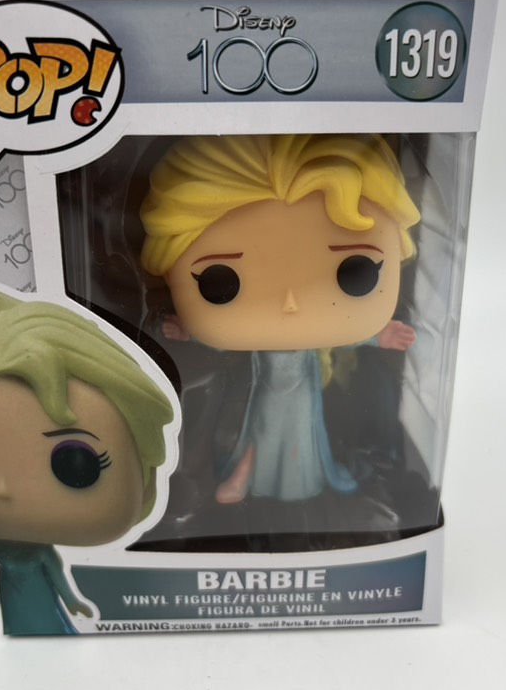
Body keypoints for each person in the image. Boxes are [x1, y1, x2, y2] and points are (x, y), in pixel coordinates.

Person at [140, 134, 419, 504]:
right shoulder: (250, 339)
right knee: (260, 429)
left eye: (356, 272)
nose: (289, 302)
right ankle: (245, 474)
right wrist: (187, 330)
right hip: (264, 389)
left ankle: (297, 478)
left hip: (302, 392)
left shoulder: (316, 339)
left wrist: (377, 336)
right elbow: (223, 338)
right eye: (219, 282)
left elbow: (341, 338)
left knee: (302, 434)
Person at [0, 278, 173, 634]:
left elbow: (58, 579)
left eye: (76, 465)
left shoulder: (33, 553)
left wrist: (74, 603)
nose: (2, 489)